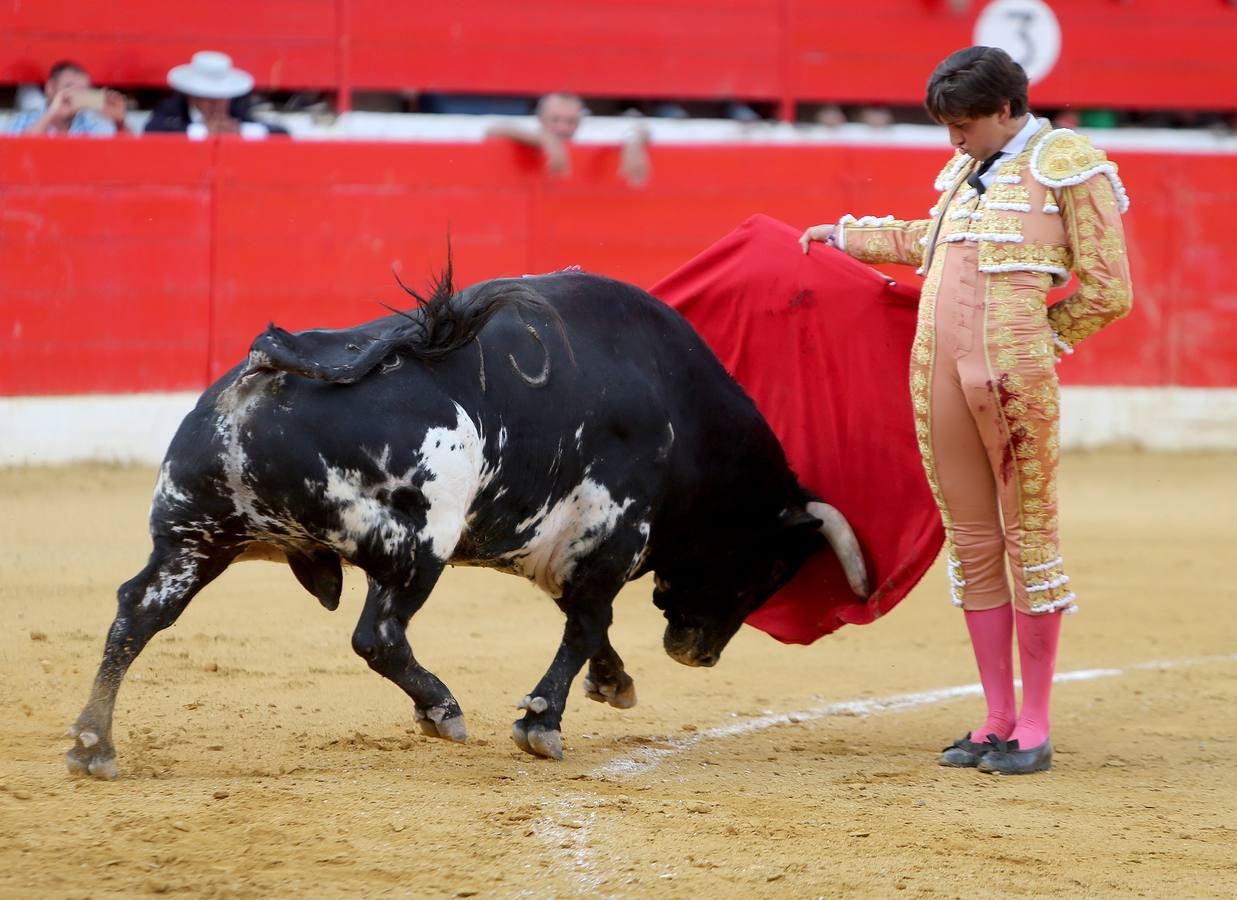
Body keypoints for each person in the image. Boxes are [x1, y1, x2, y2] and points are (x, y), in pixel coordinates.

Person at [800, 46, 1133, 774]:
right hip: (938, 372)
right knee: (974, 541)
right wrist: (850, 237)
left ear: (1006, 110)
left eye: (964, 123)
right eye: (946, 124)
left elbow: (1109, 287)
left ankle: (1035, 727)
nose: (953, 138)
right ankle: (996, 718)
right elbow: (933, 242)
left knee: (1028, 540)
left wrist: (1038, 337)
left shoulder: (1068, 162)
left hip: (1013, 375)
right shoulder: (963, 173)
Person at [485, 91, 650, 187]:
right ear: (540, 118)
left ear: (580, 120)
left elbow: (640, 129)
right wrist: (545, 138)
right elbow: (494, 130)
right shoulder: (530, 132)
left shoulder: (587, 134)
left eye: (571, 121)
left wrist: (634, 143)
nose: (563, 128)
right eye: (555, 120)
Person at [145, 51, 287, 138]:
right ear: (192, 97)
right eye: (207, 98)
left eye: (221, 97)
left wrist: (241, 130)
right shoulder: (173, 108)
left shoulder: (236, 109)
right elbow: (153, 130)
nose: (216, 103)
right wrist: (202, 130)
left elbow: (279, 133)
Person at [6, 61, 128, 136]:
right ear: (50, 88)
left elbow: (127, 157)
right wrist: (52, 113)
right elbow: (17, 154)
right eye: (68, 87)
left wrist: (119, 122)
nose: (74, 94)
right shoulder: (23, 121)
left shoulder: (93, 124)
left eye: (81, 90)